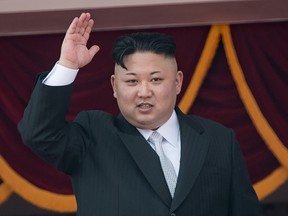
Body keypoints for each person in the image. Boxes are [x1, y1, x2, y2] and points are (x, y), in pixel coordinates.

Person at [18, 12, 263, 215]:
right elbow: (38, 133)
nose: (144, 92)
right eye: (132, 81)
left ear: (177, 82)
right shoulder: (93, 136)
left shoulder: (219, 140)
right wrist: (67, 65)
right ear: (114, 86)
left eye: (156, 79)